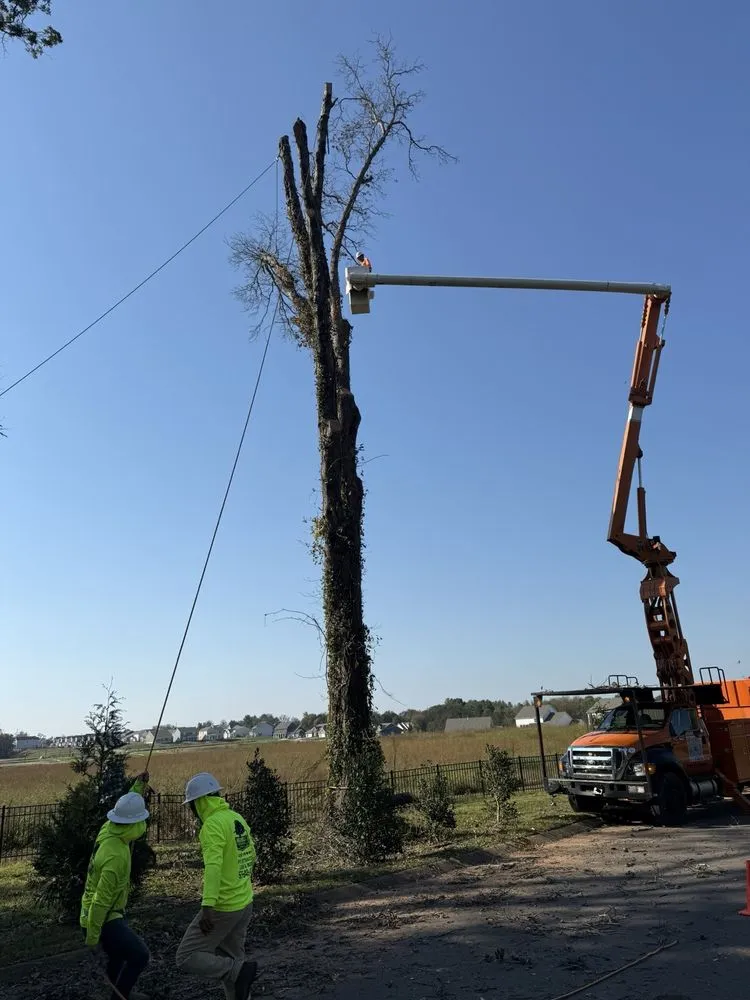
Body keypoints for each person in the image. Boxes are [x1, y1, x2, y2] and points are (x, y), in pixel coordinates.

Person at [175, 772, 257, 1000]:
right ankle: (240, 978)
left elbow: (213, 867)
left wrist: (208, 906)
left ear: (199, 802)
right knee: (233, 958)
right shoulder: (235, 817)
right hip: (244, 902)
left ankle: (239, 972)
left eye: (192, 805)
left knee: (186, 956)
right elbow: (252, 855)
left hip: (223, 906)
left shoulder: (211, 826)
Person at [80, 772, 152, 1000]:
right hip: (103, 917)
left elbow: (127, 808)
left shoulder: (108, 829)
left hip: (95, 912)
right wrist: (92, 937)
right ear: (135, 824)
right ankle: (120, 997)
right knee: (139, 955)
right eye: (142, 820)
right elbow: (101, 899)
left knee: (119, 956)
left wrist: (139, 786)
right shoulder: (116, 856)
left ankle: (114, 993)